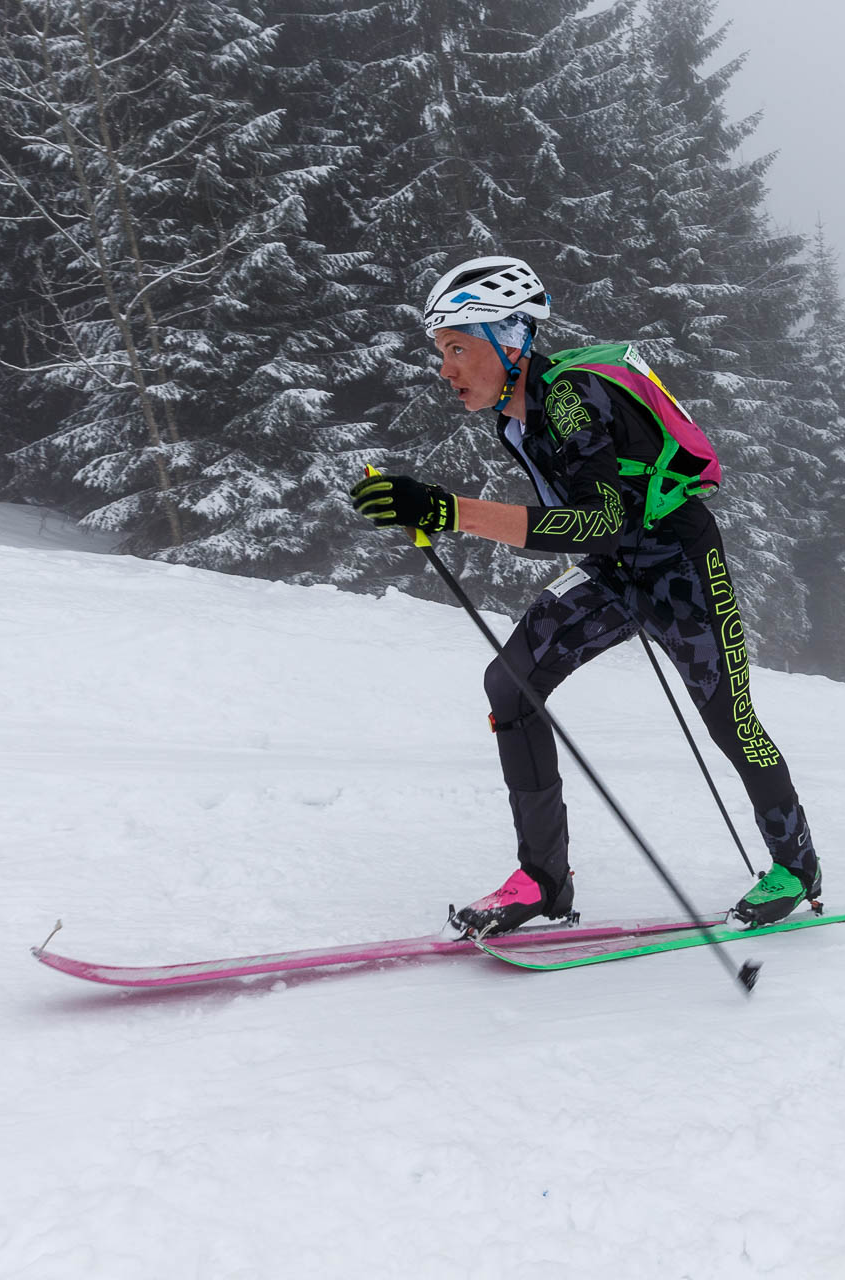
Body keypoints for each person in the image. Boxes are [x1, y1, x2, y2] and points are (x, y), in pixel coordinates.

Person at [347, 256, 819, 933]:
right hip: (613, 570)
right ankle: (543, 880)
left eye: (457, 348)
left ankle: (798, 867)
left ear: (510, 341)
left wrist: (451, 510)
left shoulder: (571, 399)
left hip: (679, 564)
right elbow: (594, 529)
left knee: (729, 719)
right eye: (441, 351)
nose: (445, 368)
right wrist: (439, 510)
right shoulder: (516, 417)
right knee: (511, 686)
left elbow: (603, 519)